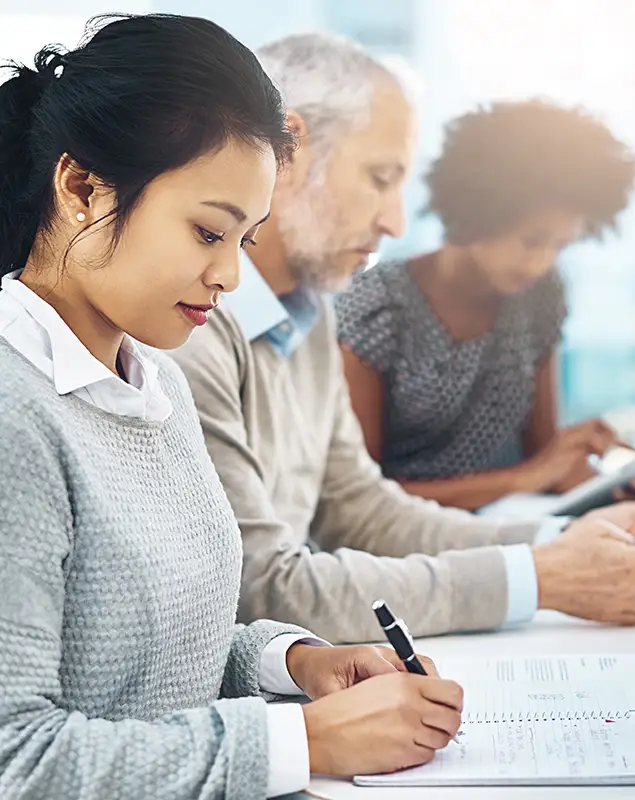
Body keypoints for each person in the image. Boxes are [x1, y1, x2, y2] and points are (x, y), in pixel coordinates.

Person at [0, 16, 466, 799]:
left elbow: (147, 664)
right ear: (81, 188)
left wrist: (298, 662)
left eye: (244, 241)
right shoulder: (16, 417)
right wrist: (302, 742)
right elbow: (19, 760)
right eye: (207, 231)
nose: (228, 278)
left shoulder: (154, 380)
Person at [170, 34, 635, 647]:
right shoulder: (190, 330)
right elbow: (255, 585)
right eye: (379, 177)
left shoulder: (311, 313)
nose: (396, 221)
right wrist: (538, 576)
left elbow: (361, 509)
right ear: (287, 153)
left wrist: (561, 543)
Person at [336, 100, 635, 512]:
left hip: (516, 530)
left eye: (559, 245)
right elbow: (357, 500)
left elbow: (543, 457)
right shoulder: (377, 303)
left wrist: (610, 484)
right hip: (405, 555)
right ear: (477, 212)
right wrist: (525, 478)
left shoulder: (540, 295)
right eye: (531, 241)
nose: (542, 262)